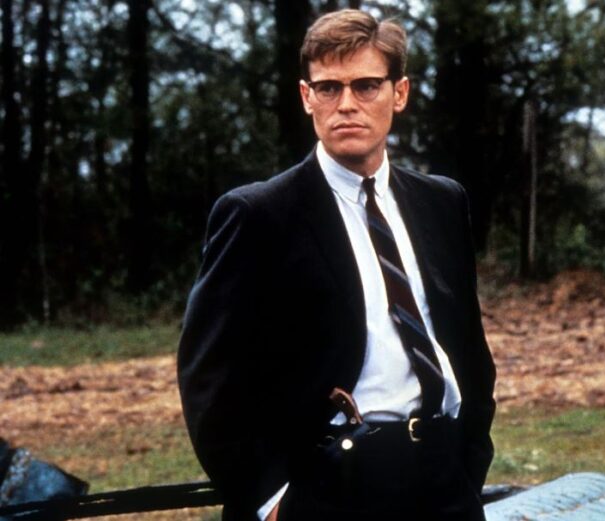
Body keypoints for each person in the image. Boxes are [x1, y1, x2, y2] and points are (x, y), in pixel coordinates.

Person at [177, 9, 495, 520]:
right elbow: (209, 379)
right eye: (329, 88)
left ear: (399, 93)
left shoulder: (441, 202)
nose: (346, 104)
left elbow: (467, 346)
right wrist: (271, 501)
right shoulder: (258, 215)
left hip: (442, 479)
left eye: (366, 85)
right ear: (307, 97)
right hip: (326, 484)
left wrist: (469, 461)